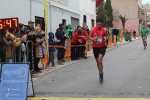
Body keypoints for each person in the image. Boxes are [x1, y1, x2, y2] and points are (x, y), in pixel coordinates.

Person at [89, 18, 108, 82]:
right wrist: (93, 39)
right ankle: (100, 73)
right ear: (96, 24)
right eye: (97, 24)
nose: (99, 25)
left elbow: (107, 36)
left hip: (102, 47)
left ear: (102, 24)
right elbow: (88, 37)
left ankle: (101, 74)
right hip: (95, 47)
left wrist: (106, 39)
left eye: (100, 24)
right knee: (97, 62)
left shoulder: (104, 30)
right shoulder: (92, 29)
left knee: (100, 60)